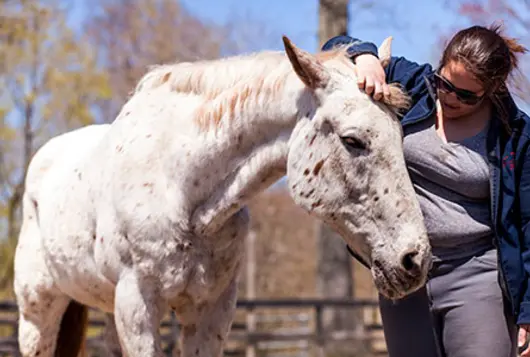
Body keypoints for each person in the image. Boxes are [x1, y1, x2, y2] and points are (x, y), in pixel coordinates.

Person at [322, 24, 530, 357]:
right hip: (403, 270)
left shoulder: (515, 136)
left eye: (466, 96)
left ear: (492, 91)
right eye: (445, 83)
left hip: (476, 274)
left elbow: (527, 223)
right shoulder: (416, 86)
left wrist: (528, 312)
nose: (450, 97)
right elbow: (336, 47)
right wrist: (365, 57)